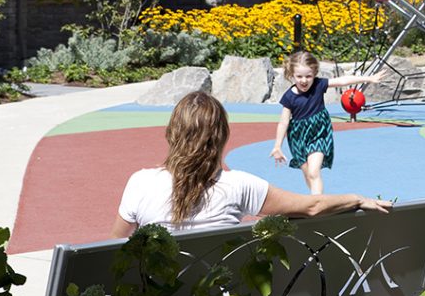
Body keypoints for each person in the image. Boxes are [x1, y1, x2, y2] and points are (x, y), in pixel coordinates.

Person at [110, 91, 390, 238]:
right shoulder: (240, 186)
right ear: (223, 137)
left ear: (171, 133)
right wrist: (356, 199)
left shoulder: (140, 183)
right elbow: (312, 206)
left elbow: (113, 248)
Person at [270, 50, 387, 194]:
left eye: (308, 76)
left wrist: (368, 79)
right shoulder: (289, 97)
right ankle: (315, 195)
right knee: (307, 173)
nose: (304, 80)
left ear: (314, 73)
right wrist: (277, 146)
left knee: (314, 172)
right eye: (299, 76)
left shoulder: (319, 85)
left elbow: (342, 80)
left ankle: (317, 203)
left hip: (319, 132)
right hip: (298, 137)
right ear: (291, 75)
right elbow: (283, 122)